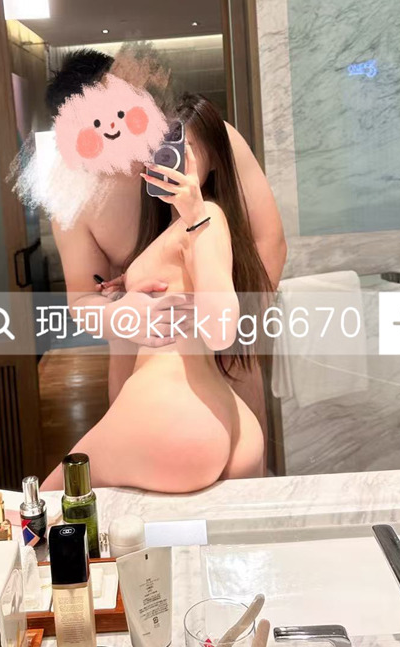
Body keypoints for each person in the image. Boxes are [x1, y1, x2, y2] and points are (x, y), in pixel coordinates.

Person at [48, 50, 286, 433]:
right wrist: (122, 314)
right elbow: (82, 300)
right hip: (142, 372)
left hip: (227, 361)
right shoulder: (73, 198)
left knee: (240, 463)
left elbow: (269, 242)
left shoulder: (205, 139)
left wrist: (235, 330)